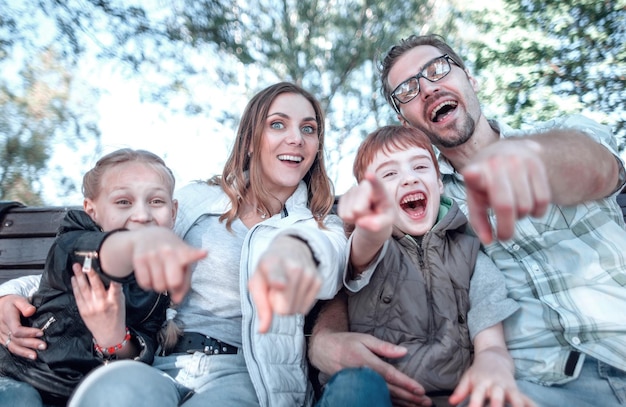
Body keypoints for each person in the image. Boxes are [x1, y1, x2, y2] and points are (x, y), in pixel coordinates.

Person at [309, 33, 626, 407]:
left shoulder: (555, 137)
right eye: (408, 89)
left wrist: (532, 159)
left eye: (437, 69)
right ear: (403, 118)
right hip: (527, 385)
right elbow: (361, 261)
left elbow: (597, 169)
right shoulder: (423, 197)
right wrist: (322, 340)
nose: (427, 88)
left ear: (469, 80)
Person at [62, 81, 347, 407]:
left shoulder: (321, 225)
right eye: (278, 124)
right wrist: (13, 292)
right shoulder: (198, 200)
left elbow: (330, 263)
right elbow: (117, 244)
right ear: (250, 140)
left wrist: (295, 250)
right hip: (158, 364)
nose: (296, 138)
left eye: (308, 129)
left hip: (243, 376)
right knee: (113, 392)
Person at [316, 125, 529, 407]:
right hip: (376, 394)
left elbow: (490, 341)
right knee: (354, 387)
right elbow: (361, 252)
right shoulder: (370, 246)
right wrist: (371, 225)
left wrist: (493, 362)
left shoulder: (470, 254)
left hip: (453, 397)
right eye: (389, 174)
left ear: (439, 184)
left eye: (419, 166)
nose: (409, 179)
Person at [0, 148, 206, 406]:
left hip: (86, 392)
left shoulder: (157, 290)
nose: (142, 215)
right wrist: (137, 246)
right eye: (123, 202)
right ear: (92, 210)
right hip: (22, 374)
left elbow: (144, 345)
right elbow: (98, 254)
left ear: (173, 212)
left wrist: (115, 339)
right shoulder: (71, 241)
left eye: (156, 202)